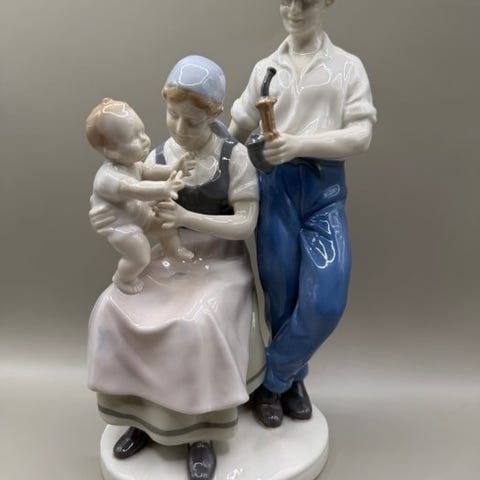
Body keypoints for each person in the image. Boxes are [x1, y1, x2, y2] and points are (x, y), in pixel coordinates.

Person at [87, 56, 263, 480]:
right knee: (114, 306)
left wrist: (187, 218)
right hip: (170, 252)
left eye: (192, 121)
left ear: (214, 114)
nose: (180, 128)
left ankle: (199, 430)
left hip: (221, 260)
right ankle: (143, 415)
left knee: (196, 322)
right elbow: (136, 199)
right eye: (172, 115)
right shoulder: (161, 154)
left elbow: (245, 224)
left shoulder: (233, 157)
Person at [229, 0, 377, 427]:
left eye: (306, 0)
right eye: (286, 0)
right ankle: (292, 381)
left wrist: (298, 144)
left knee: (325, 299)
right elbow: (236, 129)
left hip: (321, 191)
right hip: (274, 188)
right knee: (281, 292)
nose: (294, 10)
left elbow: (361, 135)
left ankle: (271, 377)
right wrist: (213, 161)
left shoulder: (347, 67)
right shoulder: (265, 69)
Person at [86, 98, 190, 294]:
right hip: (120, 226)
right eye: (133, 138)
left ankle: (174, 251)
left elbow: (148, 170)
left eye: (142, 132)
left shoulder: (131, 165)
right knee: (140, 255)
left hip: (138, 214)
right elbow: (136, 188)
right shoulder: (107, 178)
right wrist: (164, 188)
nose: (144, 140)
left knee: (166, 223)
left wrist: (173, 169)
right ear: (110, 151)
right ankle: (123, 278)